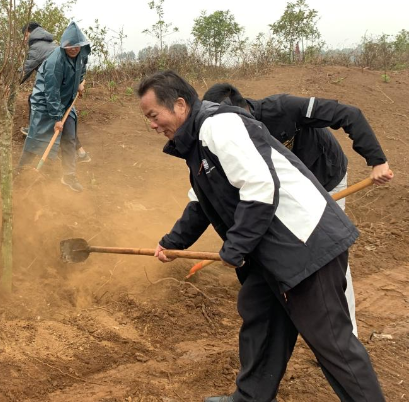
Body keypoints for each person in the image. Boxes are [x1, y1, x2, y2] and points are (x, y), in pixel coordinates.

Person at [139, 70, 385, 402]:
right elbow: (201, 202)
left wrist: (236, 247)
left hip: (304, 244)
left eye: (154, 115)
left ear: (180, 105)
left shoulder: (218, 126)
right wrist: (172, 242)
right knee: (262, 319)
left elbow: (260, 187)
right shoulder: (197, 141)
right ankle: (250, 398)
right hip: (270, 250)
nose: (152, 125)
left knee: (331, 341)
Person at [203, 82, 393, 336]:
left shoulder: (283, 108)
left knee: (330, 251)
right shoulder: (224, 137)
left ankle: (348, 334)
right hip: (286, 190)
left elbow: (349, 114)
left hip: (325, 179)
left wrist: (378, 161)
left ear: (242, 110)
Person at [18, 21, 90, 192]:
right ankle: (20, 172)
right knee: (35, 139)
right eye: (70, 46)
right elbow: (51, 92)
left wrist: (79, 83)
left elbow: (82, 70)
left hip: (65, 102)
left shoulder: (82, 54)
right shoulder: (55, 62)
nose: (74, 49)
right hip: (44, 102)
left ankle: (69, 176)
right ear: (64, 44)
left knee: (69, 138)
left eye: (77, 46)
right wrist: (57, 118)